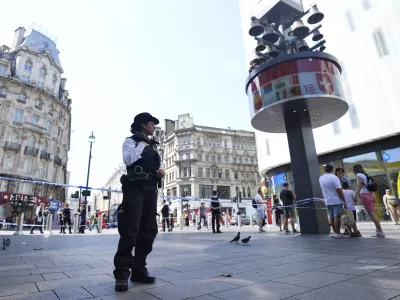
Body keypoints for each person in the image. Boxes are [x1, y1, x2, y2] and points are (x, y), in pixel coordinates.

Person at [113, 112, 164, 292]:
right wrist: (143, 144)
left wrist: (160, 172)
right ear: (143, 125)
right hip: (134, 188)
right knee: (130, 229)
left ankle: (139, 269)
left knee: (149, 229)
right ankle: (122, 273)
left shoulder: (154, 146)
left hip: (151, 189)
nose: (154, 128)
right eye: (152, 124)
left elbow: (156, 166)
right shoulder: (131, 141)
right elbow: (129, 159)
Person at [353, 164, 385, 237]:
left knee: (372, 214)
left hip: (366, 196)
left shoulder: (359, 175)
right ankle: (378, 230)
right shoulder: (365, 175)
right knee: (373, 214)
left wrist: (355, 195)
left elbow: (359, 186)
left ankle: (380, 231)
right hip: (371, 194)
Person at [319, 164, 347, 238]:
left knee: (331, 217)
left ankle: (334, 232)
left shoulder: (321, 178)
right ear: (333, 170)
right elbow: (339, 190)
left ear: (325, 170)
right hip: (336, 200)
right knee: (337, 217)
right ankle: (338, 233)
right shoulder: (334, 178)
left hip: (327, 200)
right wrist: (344, 200)